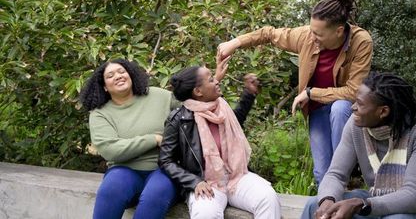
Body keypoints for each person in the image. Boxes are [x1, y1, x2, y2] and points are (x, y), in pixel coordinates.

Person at [217, 0, 373, 184]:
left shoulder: (361, 42)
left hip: (343, 108)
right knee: (321, 174)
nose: (312, 37)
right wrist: (235, 43)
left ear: (339, 31)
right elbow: (269, 34)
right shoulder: (307, 36)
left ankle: (345, 168)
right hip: (317, 110)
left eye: (318, 34)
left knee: (339, 109)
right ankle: (328, 205)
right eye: (311, 31)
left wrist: (310, 93)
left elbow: (353, 91)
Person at [301, 73, 416, 219]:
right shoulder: (356, 124)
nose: (353, 108)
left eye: (360, 104)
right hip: (373, 199)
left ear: (383, 111)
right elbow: (336, 174)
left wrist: (362, 204)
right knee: (313, 205)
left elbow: (414, 195)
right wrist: (327, 201)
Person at [159, 65, 281, 219]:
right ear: (198, 91)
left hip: (236, 176)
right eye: (211, 80)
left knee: (267, 197)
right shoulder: (178, 119)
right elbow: (165, 160)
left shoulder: (222, 108)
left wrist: (249, 93)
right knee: (205, 213)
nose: (217, 81)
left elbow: (236, 121)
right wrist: (194, 182)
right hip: (205, 182)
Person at [79, 59, 180, 219]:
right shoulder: (100, 114)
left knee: (154, 196)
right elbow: (111, 150)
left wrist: (213, 79)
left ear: (131, 75)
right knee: (111, 189)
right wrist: (153, 139)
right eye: (110, 75)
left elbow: (194, 105)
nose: (118, 76)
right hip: (124, 171)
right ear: (104, 86)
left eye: (121, 71)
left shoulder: (159, 96)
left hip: (164, 167)